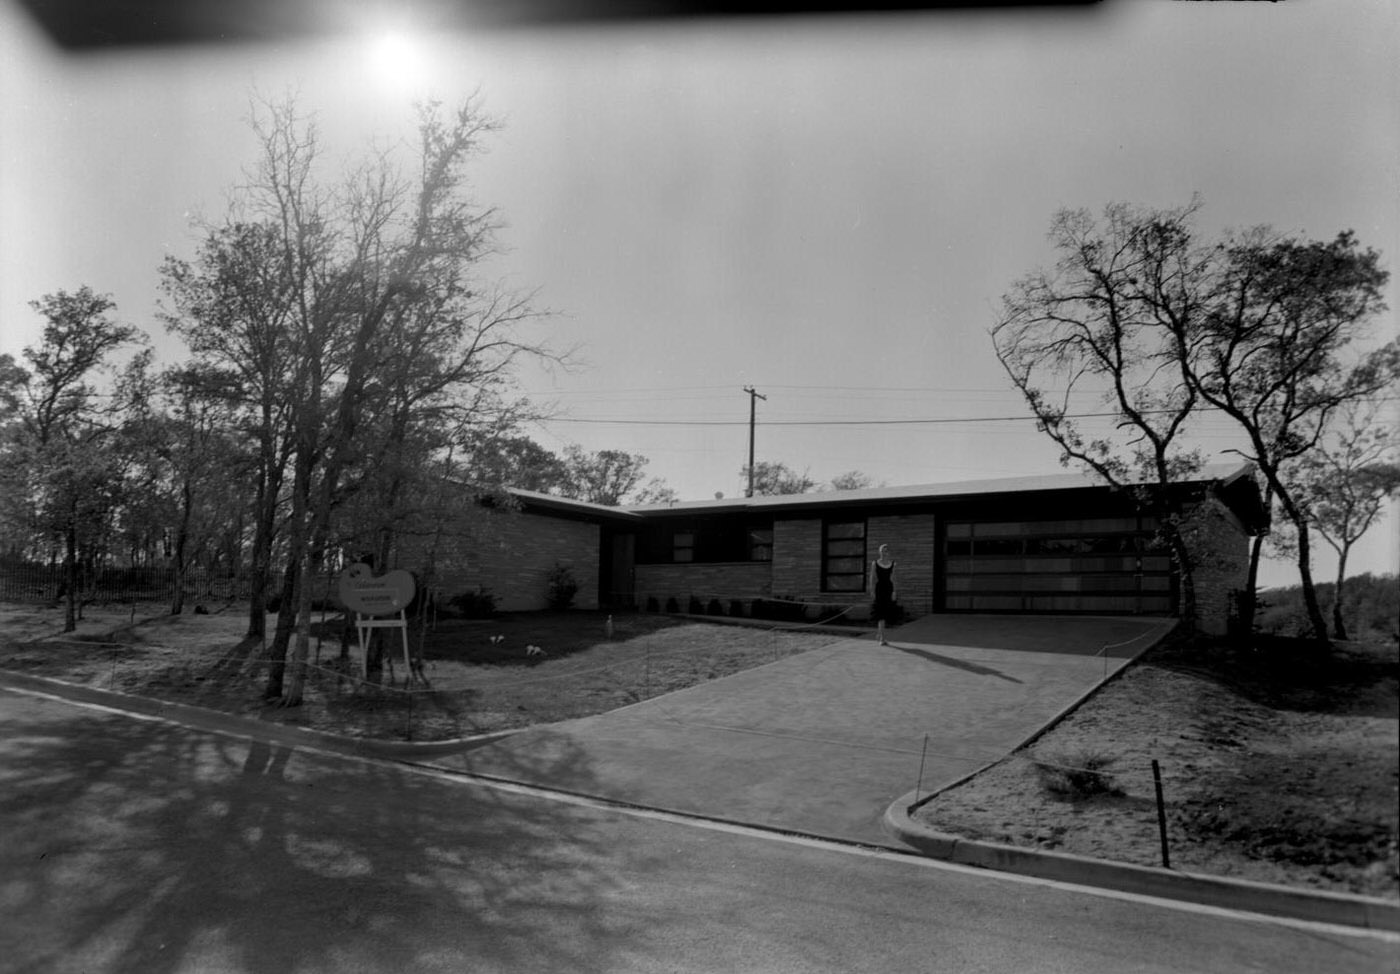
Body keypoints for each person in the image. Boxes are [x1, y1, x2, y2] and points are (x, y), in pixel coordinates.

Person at [870, 543, 896, 645]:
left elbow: (894, 579)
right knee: (880, 613)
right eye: (883, 551)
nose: (884, 553)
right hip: (879, 589)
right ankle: (882, 638)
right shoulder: (875, 563)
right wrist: (872, 591)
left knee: (885, 614)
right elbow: (872, 578)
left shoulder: (893, 564)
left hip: (888, 589)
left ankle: (880, 634)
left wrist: (894, 591)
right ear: (879, 552)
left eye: (886, 551)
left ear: (888, 553)